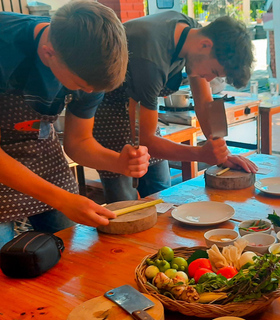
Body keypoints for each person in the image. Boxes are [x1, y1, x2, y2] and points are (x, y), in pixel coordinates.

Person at [0, 0, 150, 247]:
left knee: (69, 252)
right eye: (81, 85)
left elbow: (79, 141)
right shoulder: (6, 47)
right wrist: (62, 200)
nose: (88, 91)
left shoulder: (89, 67)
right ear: (49, 54)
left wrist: (118, 162)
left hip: (41, 150)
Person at [93, 11, 258, 203]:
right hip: (107, 116)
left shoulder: (193, 34)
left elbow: (205, 103)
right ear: (206, 45)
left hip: (141, 112)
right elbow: (146, 140)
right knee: (125, 207)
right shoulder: (151, 58)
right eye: (213, 71)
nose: (211, 79)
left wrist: (222, 152)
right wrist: (200, 154)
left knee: (161, 195)